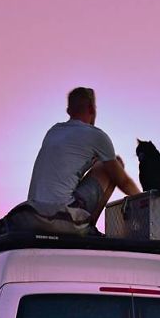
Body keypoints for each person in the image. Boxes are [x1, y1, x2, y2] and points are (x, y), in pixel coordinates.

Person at [27, 87, 140, 226]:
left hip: (32, 214)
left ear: (68, 111)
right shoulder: (96, 136)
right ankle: (88, 226)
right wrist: (147, 204)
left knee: (102, 162)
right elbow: (123, 182)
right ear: (92, 109)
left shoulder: (53, 131)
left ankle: (86, 224)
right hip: (62, 215)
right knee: (114, 165)